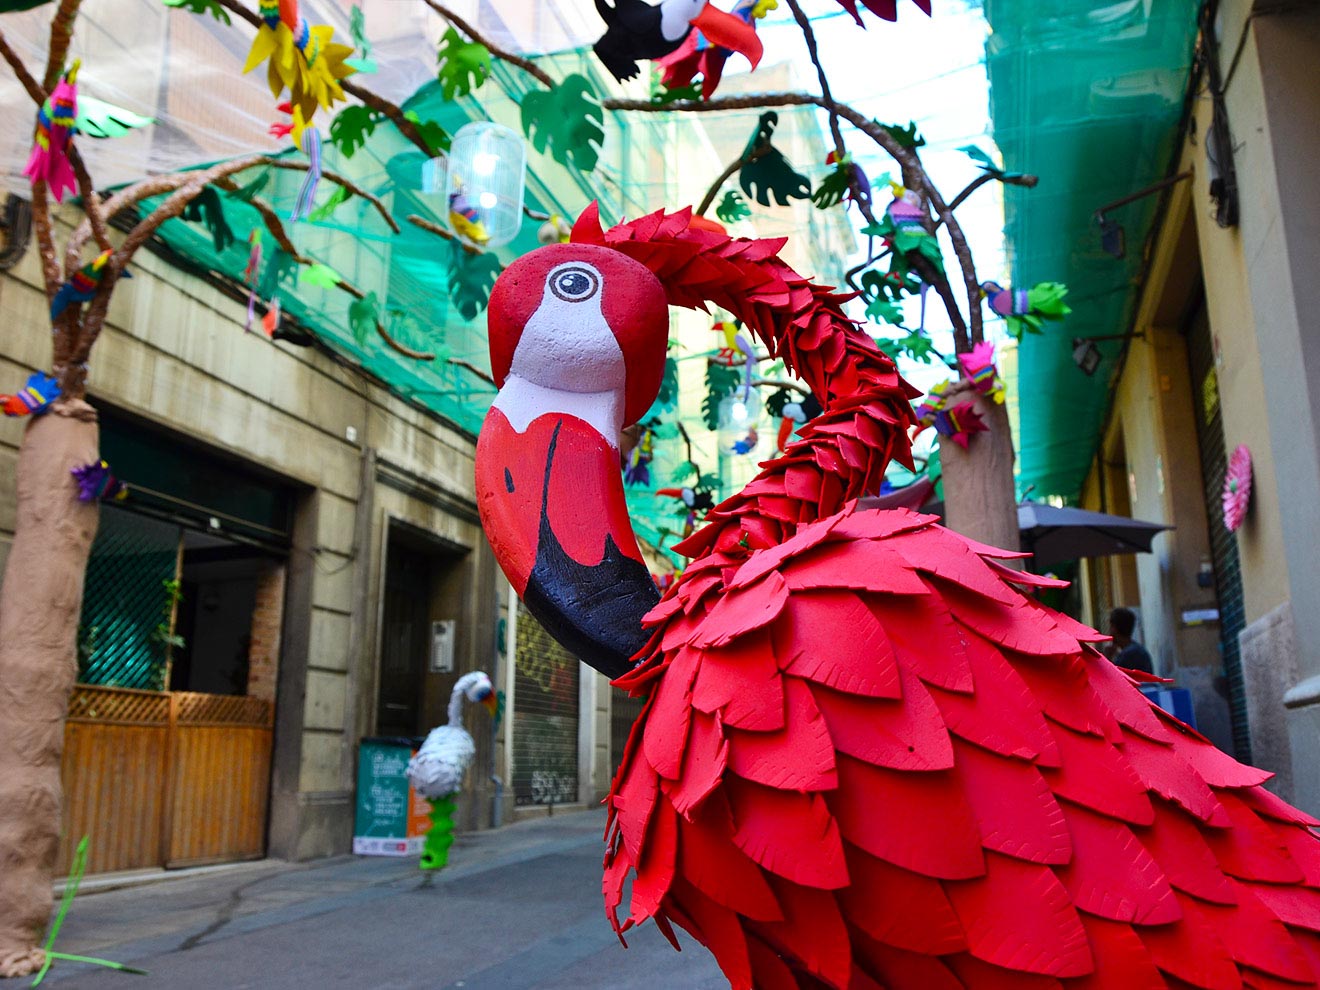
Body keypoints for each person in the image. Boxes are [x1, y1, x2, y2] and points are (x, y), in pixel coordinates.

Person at [1108, 607, 1154, 674]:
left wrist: (1107, 659)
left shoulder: (1128, 655)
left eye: (1111, 626)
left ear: (1114, 628)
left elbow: (1112, 677)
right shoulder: (1137, 650)